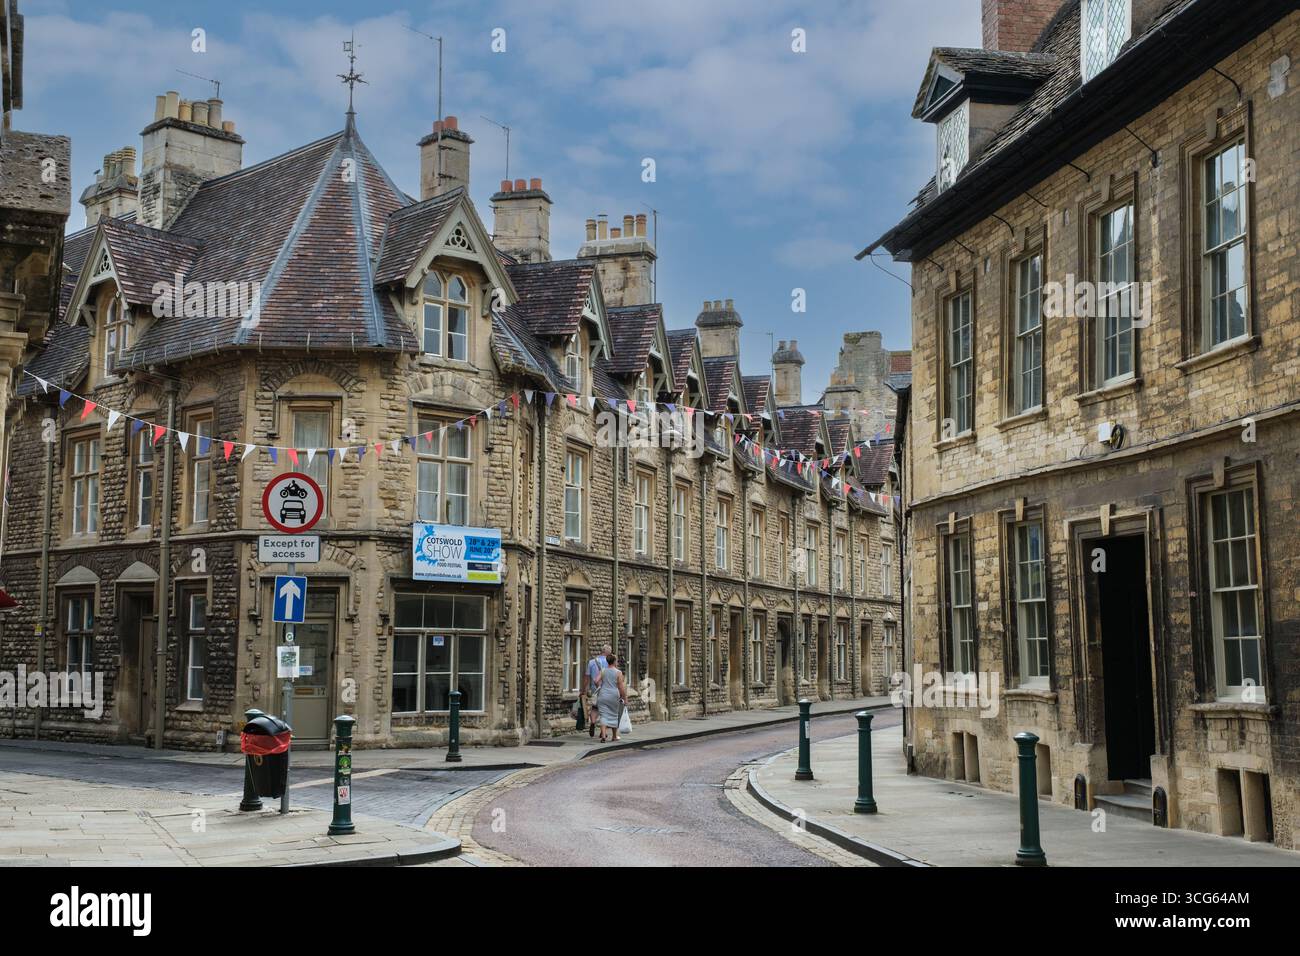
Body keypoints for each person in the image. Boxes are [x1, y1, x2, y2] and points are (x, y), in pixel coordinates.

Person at [595, 654, 628, 743]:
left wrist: (599, 687)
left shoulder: (603, 670)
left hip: (603, 695)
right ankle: (614, 736)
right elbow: (621, 687)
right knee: (614, 715)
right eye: (616, 660)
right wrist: (624, 698)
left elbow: (596, 680)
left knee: (603, 715)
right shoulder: (618, 672)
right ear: (614, 661)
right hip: (613, 695)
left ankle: (603, 736)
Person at [582, 644, 611, 736]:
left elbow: (587, 677)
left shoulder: (591, 662)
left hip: (595, 690)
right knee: (605, 711)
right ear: (608, 652)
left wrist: (583, 690)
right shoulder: (610, 663)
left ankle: (593, 722)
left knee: (595, 708)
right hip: (606, 689)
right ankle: (603, 732)